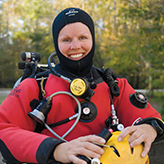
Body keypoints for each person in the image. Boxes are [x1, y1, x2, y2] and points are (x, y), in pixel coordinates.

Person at [0, 7, 164, 164]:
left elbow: (152, 119)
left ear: (93, 39)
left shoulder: (114, 86)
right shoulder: (35, 86)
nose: (75, 46)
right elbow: (3, 129)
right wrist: (58, 150)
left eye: (83, 38)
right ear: (56, 44)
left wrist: (149, 129)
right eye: (66, 40)